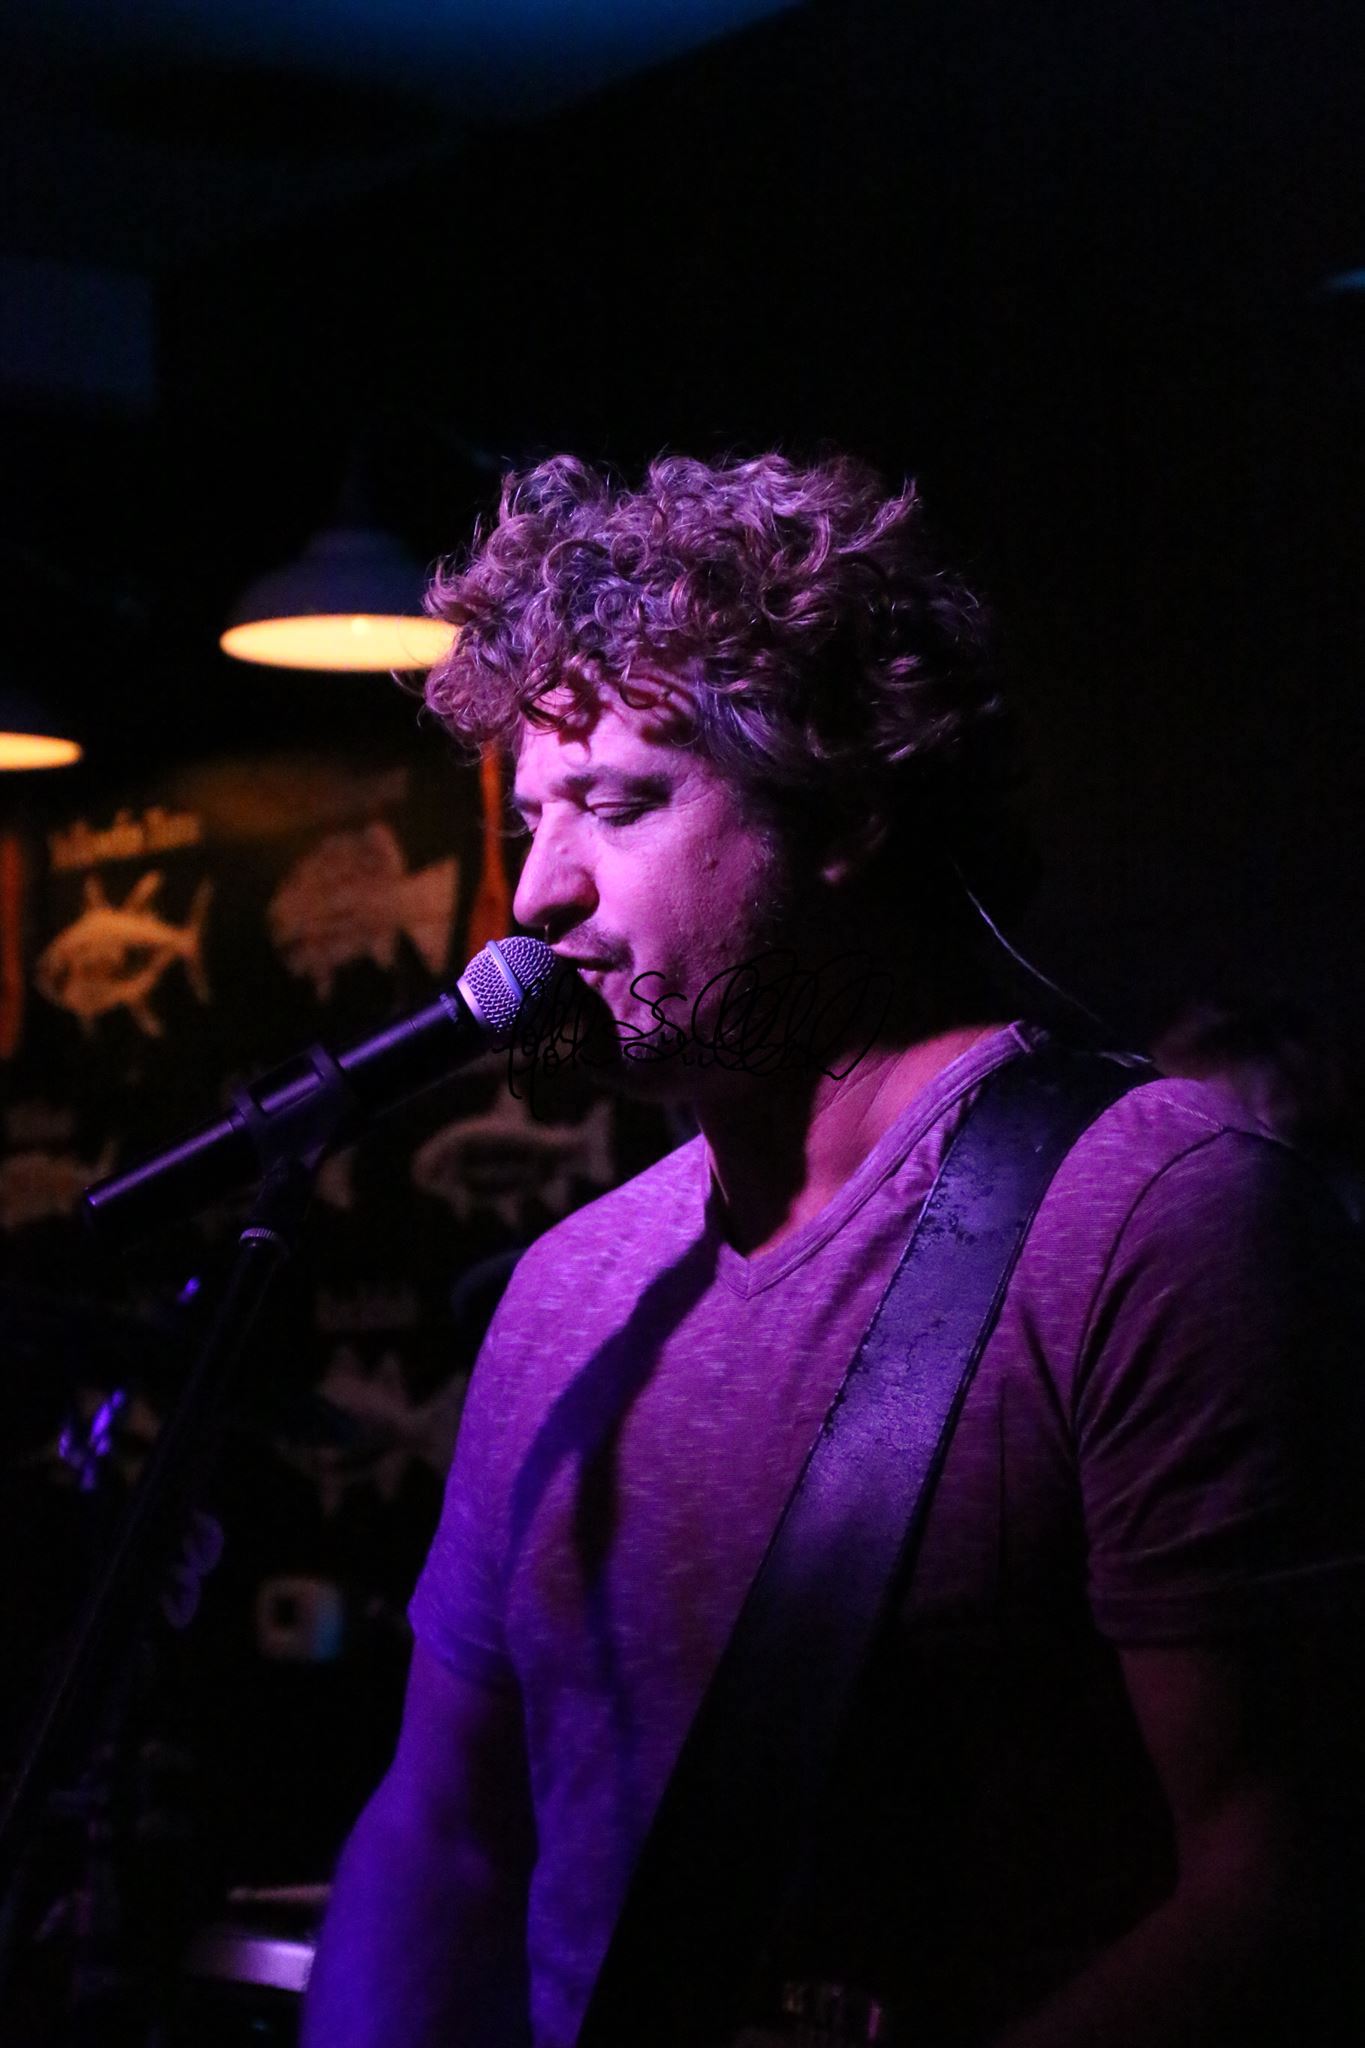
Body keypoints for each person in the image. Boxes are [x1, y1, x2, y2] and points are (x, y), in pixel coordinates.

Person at [300, 453, 1364, 2048]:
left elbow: (1282, 1883)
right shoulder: (566, 1295)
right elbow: (443, 1833)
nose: (538, 894)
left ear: (847, 808)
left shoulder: (1154, 1216)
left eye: (620, 804)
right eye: (529, 819)